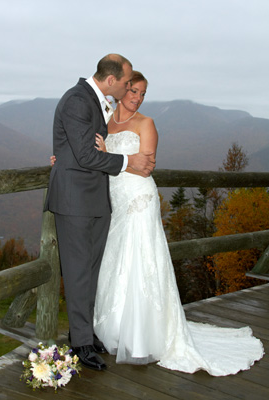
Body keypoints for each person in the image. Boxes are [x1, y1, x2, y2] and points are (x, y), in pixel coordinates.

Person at [92, 71, 264, 376]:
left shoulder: (147, 124)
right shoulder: (105, 123)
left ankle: (145, 334)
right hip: (115, 200)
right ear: (120, 90)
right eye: (133, 91)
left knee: (141, 260)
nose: (138, 98)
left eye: (143, 93)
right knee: (117, 259)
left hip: (139, 199)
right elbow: (90, 154)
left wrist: (111, 156)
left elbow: (145, 168)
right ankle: (116, 329)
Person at [44, 55, 155, 372]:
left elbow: (78, 147)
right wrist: (128, 163)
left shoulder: (96, 99)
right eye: (126, 82)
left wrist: (63, 155)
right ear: (111, 80)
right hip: (75, 202)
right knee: (79, 274)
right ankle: (79, 344)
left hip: (95, 200)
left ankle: (85, 334)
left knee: (90, 273)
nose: (128, 86)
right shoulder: (78, 100)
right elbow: (85, 155)